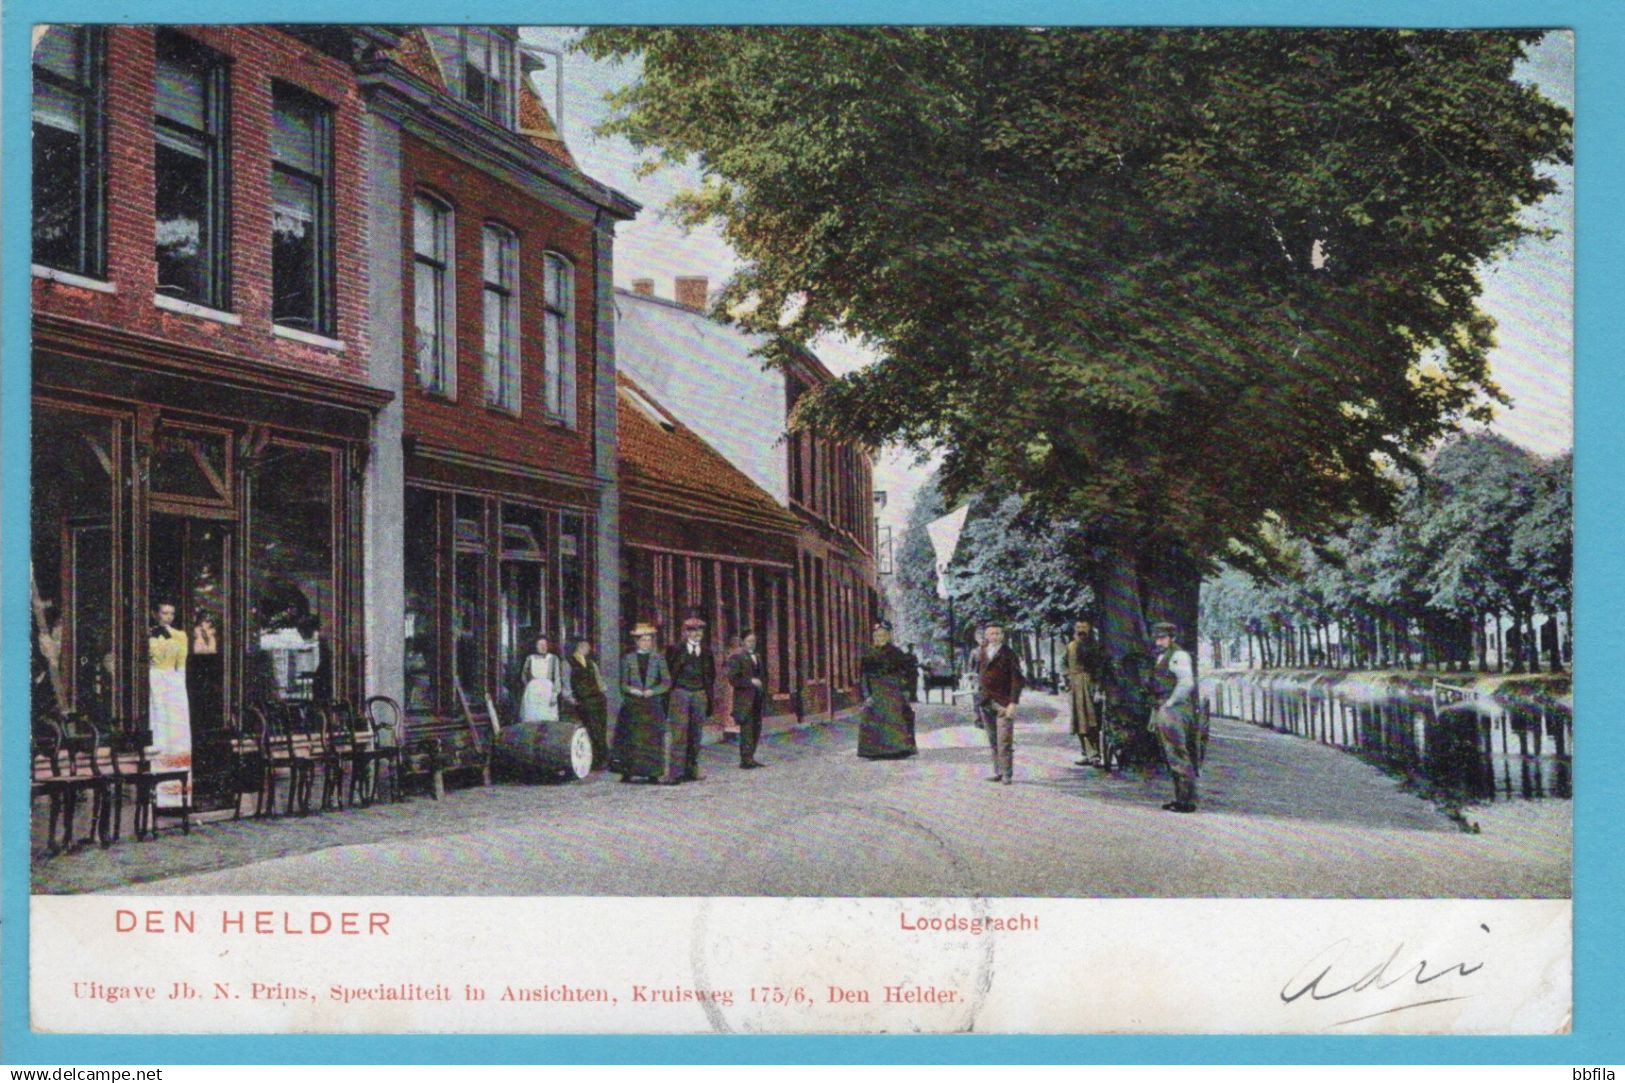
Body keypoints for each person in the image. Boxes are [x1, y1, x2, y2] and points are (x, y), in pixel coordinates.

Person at [1148, 621, 1199, 812]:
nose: (1159, 642)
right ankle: (1180, 798)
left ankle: (1187, 801)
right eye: (1157, 638)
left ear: (1172, 638)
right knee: (1171, 754)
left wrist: (1170, 703)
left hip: (1174, 709)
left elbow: (1186, 683)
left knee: (1178, 754)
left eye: (1163, 638)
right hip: (1164, 707)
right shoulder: (1162, 657)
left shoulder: (1178, 655)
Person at [616, 624, 676, 783]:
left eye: (649, 640)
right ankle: (628, 771)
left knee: (652, 739)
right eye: (643, 640)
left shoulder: (659, 659)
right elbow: (623, 684)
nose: (646, 643)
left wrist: (653, 691)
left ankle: (653, 772)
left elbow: (666, 682)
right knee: (631, 738)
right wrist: (633, 690)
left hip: (652, 704)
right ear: (637, 642)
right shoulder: (628, 659)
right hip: (634, 704)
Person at [147, 601, 192, 810]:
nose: (168, 617)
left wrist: (179, 689)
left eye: (172, 613)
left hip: (173, 684)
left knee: (176, 731)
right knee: (158, 730)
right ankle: (157, 794)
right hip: (153, 682)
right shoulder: (147, 634)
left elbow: (180, 666)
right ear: (155, 614)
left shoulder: (180, 636)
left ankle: (176, 795)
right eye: (164, 612)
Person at [857, 619, 917, 759]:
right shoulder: (868, 655)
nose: (880, 638)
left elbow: (906, 674)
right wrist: (867, 695)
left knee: (897, 718)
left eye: (883, 635)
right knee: (872, 717)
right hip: (876, 692)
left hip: (893, 692)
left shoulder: (897, 653)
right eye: (877, 635)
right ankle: (874, 751)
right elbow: (864, 676)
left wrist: (906, 691)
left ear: (889, 636)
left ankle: (898, 749)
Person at [666, 617, 716, 782]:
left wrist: (707, 695)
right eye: (693, 630)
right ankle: (675, 772)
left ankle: (691, 769)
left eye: (700, 631)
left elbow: (711, 675)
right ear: (686, 632)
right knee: (679, 733)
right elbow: (668, 672)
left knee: (696, 734)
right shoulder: (675, 650)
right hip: (680, 693)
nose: (697, 634)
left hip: (699, 693)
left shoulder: (707, 652)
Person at [974, 622, 1025, 784]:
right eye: (992, 633)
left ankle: (1007, 774)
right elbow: (978, 674)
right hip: (985, 701)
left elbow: (1017, 680)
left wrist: (1013, 703)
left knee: (1004, 740)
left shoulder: (1008, 654)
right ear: (986, 636)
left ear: (1003, 636)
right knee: (992, 739)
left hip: (1003, 703)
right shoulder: (981, 652)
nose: (995, 636)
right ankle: (998, 771)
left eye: (998, 633)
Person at [563, 638, 610, 771]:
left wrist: (603, 694)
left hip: (598, 701)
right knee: (591, 730)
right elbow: (566, 684)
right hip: (583, 701)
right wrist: (572, 700)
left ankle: (602, 759)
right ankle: (592, 760)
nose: (588, 649)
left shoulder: (591, 663)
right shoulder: (568, 663)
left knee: (600, 730)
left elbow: (599, 682)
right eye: (585, 646)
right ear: (579, 647)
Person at [725, 631, 768, 769]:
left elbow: (763, 676)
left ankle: (751, 756)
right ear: (742, 642)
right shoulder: (736, 657)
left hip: (757, 697)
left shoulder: (758, 657)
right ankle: (745, 759)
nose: (752, 644)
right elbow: (733, 679)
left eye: (754, 641)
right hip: (745, 699)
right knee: (747, 729)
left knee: (756, 727)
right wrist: (750, 681)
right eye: (749, 641)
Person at [1065, 619, 1105, 766]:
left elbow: (1100, 669)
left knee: (1092, 722)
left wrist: (1099, 689)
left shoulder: (1094, 647)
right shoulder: (1071, 646)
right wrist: (1067, 678)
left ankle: (1095, 754)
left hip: (1090, 685)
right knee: (1078, 721)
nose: (1081, 630)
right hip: (1075, 687)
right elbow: (1064, 663)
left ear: (1089, 629)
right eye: (1078, 627)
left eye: (1084, 627)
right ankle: (1086, 753)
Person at [519, 634, 562, 723]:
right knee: (532, 718)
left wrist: (555, 693)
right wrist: (529, 686)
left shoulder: (553, 659)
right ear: (535, 646)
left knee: (547, 718)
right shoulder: (530, 659)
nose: (543, 647)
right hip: (533, 693)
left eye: (545, 645)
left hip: (547, 692)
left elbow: (557, 678)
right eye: (540, 645)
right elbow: (524, 675)